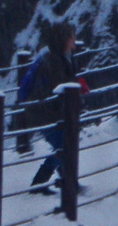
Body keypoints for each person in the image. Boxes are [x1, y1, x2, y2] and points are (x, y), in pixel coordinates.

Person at [16, 20, 89, 192]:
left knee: (64, 145)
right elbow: (59, 86)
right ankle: (42, 184)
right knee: (64, 145)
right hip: (43, 111)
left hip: (47, 110)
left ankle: (66, 182)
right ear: (64, 39)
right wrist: (77, 85)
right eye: (72, 37)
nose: (74, 41)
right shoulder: (54, 60)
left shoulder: (61, 57)